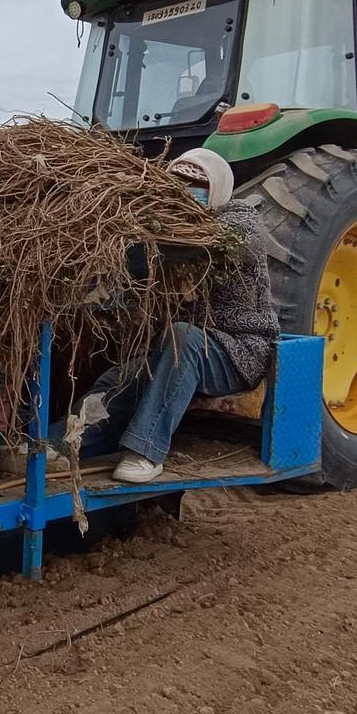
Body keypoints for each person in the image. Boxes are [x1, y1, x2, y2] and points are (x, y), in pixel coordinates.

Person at [75, 148, 279, 483]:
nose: (187, 193)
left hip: (238, 352)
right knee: (121, 376)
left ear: (217, 189)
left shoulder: (241, 222)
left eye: (196, 186)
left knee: (184, 336)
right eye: (179, 184)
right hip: (180, 352)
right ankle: (63, 444)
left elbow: (205, 245)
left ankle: (146, 451)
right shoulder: (170, 227)